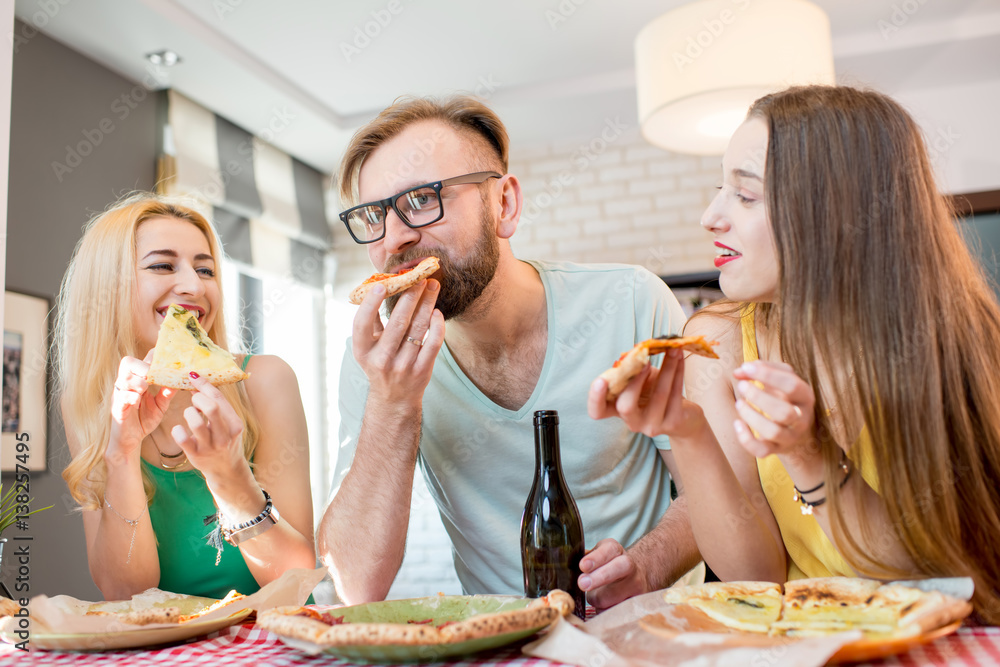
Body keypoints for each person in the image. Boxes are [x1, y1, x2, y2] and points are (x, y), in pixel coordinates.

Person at [589, 85, 1000, 622]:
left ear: (833, 211)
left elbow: (934, 578)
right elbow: (757, 579)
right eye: (721, 189)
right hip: (808, 638)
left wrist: (808, 453)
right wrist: (687, 430)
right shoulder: (719, 341)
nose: (711, 216)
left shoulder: (960, 341)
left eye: (747, 195)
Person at [318, 95, 701, 609]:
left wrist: (648, 567)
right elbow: (356, 584)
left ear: (504, 205)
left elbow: (717, 493)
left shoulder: (631, 302)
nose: (396, 238)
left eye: (422, 200)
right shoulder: (376, 363)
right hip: (501, 646)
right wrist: (392, 403)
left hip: (653, 632)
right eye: (375, 215)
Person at [56, 194, 315, 601]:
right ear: (107, 288)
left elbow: (294, 582)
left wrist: (228, 476)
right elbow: (126, 592)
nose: (194, 286)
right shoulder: (88, 402)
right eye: (162, 265)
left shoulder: (264, 380)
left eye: (206, 269)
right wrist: (121, 454)